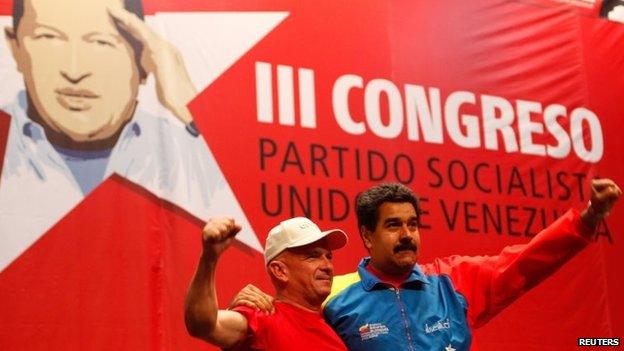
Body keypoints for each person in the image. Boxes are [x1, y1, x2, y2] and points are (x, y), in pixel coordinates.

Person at [0, 0, 258, 271]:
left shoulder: (188, 154)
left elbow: (249, 204)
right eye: (49, 38)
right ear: (15, 47)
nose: (74, 71)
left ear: (144, 59)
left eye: (101, 43)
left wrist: (188, 108)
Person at [232, 179, 621, 351]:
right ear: (367, 236)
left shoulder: (454, 282)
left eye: (413, 224)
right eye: (393, 225)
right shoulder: (335, 296)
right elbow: (289, 320)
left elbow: (526, 262)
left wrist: (586, 218)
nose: (407, 235)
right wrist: (260, 300)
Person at [184, 216, 349, 350]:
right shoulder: (262, 316)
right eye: (312, 256)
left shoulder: (338, 322)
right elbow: (203, 325)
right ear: (279, 271)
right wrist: (209, 258)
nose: (327, 266)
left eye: (329, 256)